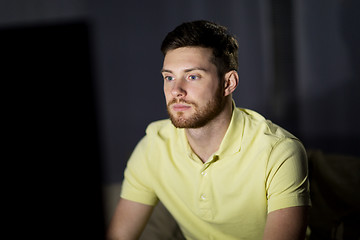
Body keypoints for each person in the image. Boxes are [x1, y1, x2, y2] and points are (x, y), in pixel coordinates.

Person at [107, 20, 311, 240]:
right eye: (169, 77)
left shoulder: (278, 151)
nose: (176, 91)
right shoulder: (153, 146)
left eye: (193, 76)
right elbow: (120, 235)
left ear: (228, 83)